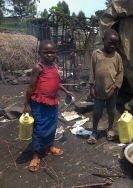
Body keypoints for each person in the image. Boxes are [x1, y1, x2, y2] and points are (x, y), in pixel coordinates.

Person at [23, 40, 74, 172]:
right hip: (39, 103)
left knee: (52, 125)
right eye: (46, 52)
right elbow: (31, 87)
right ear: (40, 53)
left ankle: (48, 147)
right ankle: (35, 154)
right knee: (39, 128)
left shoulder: (55, 66)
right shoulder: (38, 67)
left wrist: (65, 91)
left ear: (56, 53)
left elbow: (56, 82)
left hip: (52, 102)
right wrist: (26, 105)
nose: (49, 55)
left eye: (52, 52)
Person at [88, 29, 123, 144]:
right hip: (98, 91)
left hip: (112, 90)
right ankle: (94, 131)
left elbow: (120, 73)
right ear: (103, 40)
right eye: (110, 43)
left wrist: (116, 87)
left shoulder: (117, 56)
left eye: (115, 43)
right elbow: (92, 71)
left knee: (112, 111)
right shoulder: (96, 54)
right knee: (97, 112)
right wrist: (91, 87)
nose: (112, 45)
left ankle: (110, 129)